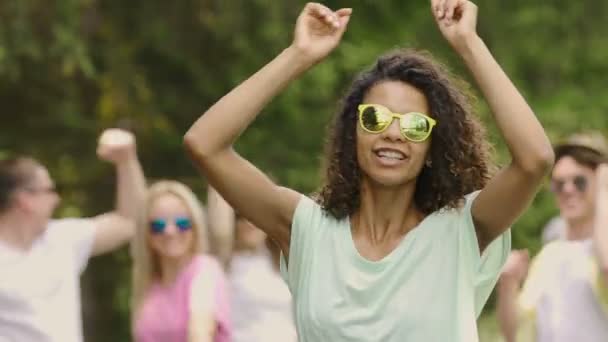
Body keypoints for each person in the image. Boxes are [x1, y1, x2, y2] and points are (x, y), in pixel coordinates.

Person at [183, 1, 554, 340]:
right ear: (353, 133)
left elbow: (534, 160)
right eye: (375, 118)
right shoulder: (306, 229)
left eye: (414, 126)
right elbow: (205, 144)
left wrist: (469, 43)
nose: (393, 133)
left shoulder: (462, 229)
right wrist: (298, 55)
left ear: (430, 149)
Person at [0, 128, 146, 342]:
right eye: (50, 190)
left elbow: (128, 222)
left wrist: (127, 160)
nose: (56, 199)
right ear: (25, 199)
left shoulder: (62, 238)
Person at [497, 132, 608, 342]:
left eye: (579, 182)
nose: (568, 190)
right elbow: (513, 334)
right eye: (559, 183)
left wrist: (605, 192)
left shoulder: (601, 248)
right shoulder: (549, 254)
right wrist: (508, 284)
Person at [132, 180, 231, 342]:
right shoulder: (147, 283)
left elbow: (200, 333)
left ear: (196, 226)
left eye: (182, 223)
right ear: (146, 234)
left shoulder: (205, 271)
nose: (170, 231)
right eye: (158, 225)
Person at [207, 187, 297, 342]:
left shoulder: (285, 261)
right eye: (241, 217)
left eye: (256, 217)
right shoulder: (225, 261)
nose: (249, 223)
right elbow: (218, 207)